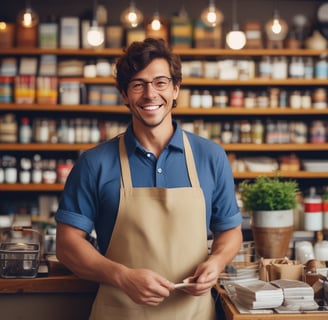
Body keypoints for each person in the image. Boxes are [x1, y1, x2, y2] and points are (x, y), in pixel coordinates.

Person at [55, 37, 243, 320]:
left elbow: (230, 231)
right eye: (138, 84)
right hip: (119, 313)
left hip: (193, 314)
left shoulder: (211, 156)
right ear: (124, 94)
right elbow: (67, 245)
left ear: (175, 88)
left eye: (160, 82)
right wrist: (121, 276)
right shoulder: (94, 163)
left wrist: (216, 262)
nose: (150, 94)